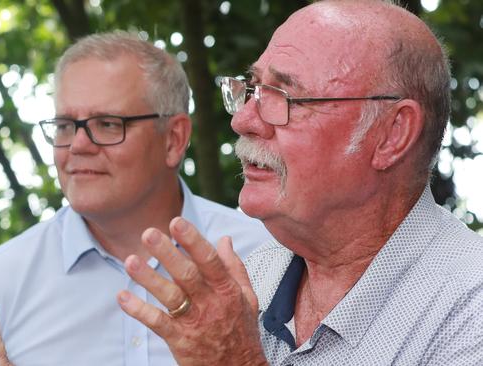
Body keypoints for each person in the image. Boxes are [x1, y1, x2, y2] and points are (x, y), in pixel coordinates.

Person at [0, 31, 272, 365]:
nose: (77, 145)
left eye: (106, 124)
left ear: (174, 138)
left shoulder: (269, 255)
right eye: (65, 125)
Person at [118, 0, 483, 365]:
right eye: (252, 88)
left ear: (392, 134)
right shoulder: (253, 277)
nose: (243, 120)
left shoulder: (470, 305)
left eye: (281, 96)